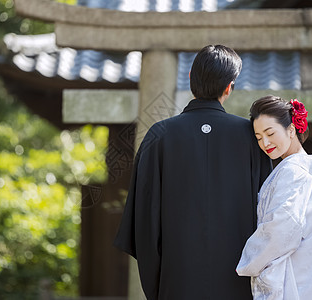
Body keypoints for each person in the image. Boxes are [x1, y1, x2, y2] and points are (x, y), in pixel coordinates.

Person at [113, 45, 272, 299]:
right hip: (238, 282)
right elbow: (268, 214)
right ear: (229, 87)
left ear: (190, 78)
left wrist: (159, 283)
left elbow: (143, 220)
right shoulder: (251, 138)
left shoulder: (159, 135)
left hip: (176, 282)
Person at [236, 95, 312, 299]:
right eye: (258, 137)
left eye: (270, 133)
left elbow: (282, 228)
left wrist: (248, 262)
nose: (265, 143)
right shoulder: (307, 173)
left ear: (291, 130)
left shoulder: (291, 172)